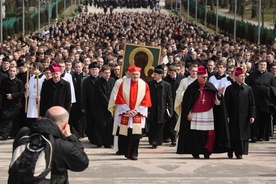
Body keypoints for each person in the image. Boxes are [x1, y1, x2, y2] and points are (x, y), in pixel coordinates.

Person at [8, 106, 89, 183]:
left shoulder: (23, 134)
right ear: (65, 125)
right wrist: (71, 137)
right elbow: (82, 162)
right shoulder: (63, 145)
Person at [177, 66, 230, 159]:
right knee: (196, 134)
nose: (206, 79)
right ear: (198, 76)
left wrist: (219, 94)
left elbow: (216, 102)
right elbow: (187, 103)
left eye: (207, 77)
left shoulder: (210, 86)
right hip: (195, 115)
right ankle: (196, 152)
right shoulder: (191, 88)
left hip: (208, 114)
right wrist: (188, 112)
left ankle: (207, 151)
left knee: (208, 134)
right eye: (204, 77)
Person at [114, 65, 152, 160]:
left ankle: (134, 153)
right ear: (130, 74)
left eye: (137, 74)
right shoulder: (124, 84)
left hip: (138, 113)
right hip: (126, 112)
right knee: (126, 134)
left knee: (136, 135)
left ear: (140, 74)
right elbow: (120, 98)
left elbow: (146, 99)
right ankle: (126, 153)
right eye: (133, 74)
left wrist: (136, 111)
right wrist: (127, 110)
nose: (135, 76)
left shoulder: (144, 85)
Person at [224, 67, 255, 159]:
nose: (243, 78)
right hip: (233, 117)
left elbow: (252, 104)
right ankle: (230, 151)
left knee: (243, 135)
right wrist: (227, 116)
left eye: (243, 76)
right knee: (233, 135)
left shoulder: (248, 89)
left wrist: (252, 115)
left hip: (244, 116)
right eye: (241, 76)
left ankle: (240, 152)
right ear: (236, 77)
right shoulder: (230, 89)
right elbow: (226, 104)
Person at [246, 60, 276, 142]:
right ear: (258, 66)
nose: (263, 66)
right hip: (254, 100)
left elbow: (274, 87)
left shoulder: (270, 76)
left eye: (264, 65)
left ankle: (262, 135)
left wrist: (267, 89)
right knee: (254, 118)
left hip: (265, 101)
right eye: (261, 65)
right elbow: (247, 86)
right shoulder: (252, 75)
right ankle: (254, 136)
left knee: (264, 119)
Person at [147, 65, 173, 148]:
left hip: (162, 109)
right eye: (154, 74)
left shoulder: (167, 85)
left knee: (160, 125)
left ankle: (157, 141)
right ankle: (152, 141)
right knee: (152, 125)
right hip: (152, 108)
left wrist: (170, 110)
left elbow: (170, 99)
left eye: (155, 74)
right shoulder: (150, 84)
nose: (154, 76)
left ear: (160, 75)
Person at [92, 65, 115, 148]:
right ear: (101, 73)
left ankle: (108, 142)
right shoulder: (98, 82)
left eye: (109, 73)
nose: (107, 75)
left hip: (110, 106)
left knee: (109, 125)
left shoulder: (112, 80)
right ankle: (99, 141)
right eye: (106, 73)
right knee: (101, 124)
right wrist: (108, 103)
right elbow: (100, 94)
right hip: (100, 107)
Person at [0, 67, 24, 140]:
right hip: (6, 102)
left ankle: (14, 134)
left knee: (14, 120)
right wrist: (7, 95)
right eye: (10, 71)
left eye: (13, 71)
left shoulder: (19, 82)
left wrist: (13, 96)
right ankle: (4, 134)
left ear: (16, 72)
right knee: (5, 119)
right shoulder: (4, 81)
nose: (12, 72)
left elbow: (21, 92)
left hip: (15, 103)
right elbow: (1, 90)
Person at [163, 64, 185, 146]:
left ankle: (174, 138)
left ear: (176, 72)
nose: (171, 74)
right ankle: (171, 137)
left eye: (172, 73)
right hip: (169, 102)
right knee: (169, 120)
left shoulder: (182, 78)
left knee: (176, 120)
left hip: (178, 102)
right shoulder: (166, 79)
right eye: (170, 73)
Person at [174, 64, 198, 133]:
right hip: (186, 106)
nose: (194, 73)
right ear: (189, 71)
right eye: (193, 71)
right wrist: (187, 94)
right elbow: (178, 92)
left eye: (196, 71)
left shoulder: (200, 81)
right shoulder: (184, 81)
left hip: (197, 106)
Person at [81, 62, 101, 143]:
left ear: (99, 70)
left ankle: (99, 138)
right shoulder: (86, 81)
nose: (94, 71)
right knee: (90, 121)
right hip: (90, 104)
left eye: (96, 69)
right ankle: (92, 137)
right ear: (89, 70)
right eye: (92, 69)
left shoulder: (101, 79)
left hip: (100, 104)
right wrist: (83, 106)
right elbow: (83, 94)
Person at [70, 61, 89, 137]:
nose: (78, 68)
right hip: (74, 99)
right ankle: (75, 133)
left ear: (82, 67)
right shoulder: (71, 76)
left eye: (79, 67)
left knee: (83, 118)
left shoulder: (86, 77)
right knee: (74, 116)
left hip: (82, 99)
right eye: (76, 67)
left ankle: (82, 132)